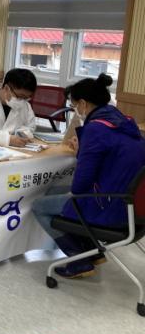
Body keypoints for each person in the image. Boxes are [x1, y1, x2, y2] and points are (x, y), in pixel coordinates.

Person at [32, 73, 145, 278]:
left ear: (83, 103)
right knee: (54, 191)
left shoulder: (95, 129)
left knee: (39, 206)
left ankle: (79, 260)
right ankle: (92, 250)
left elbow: (79, 186)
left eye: (74, 105)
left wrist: (81, 153)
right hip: (131, 207)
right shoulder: (125, 122)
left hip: (109, 207)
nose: (75, 110)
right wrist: (84, 151)